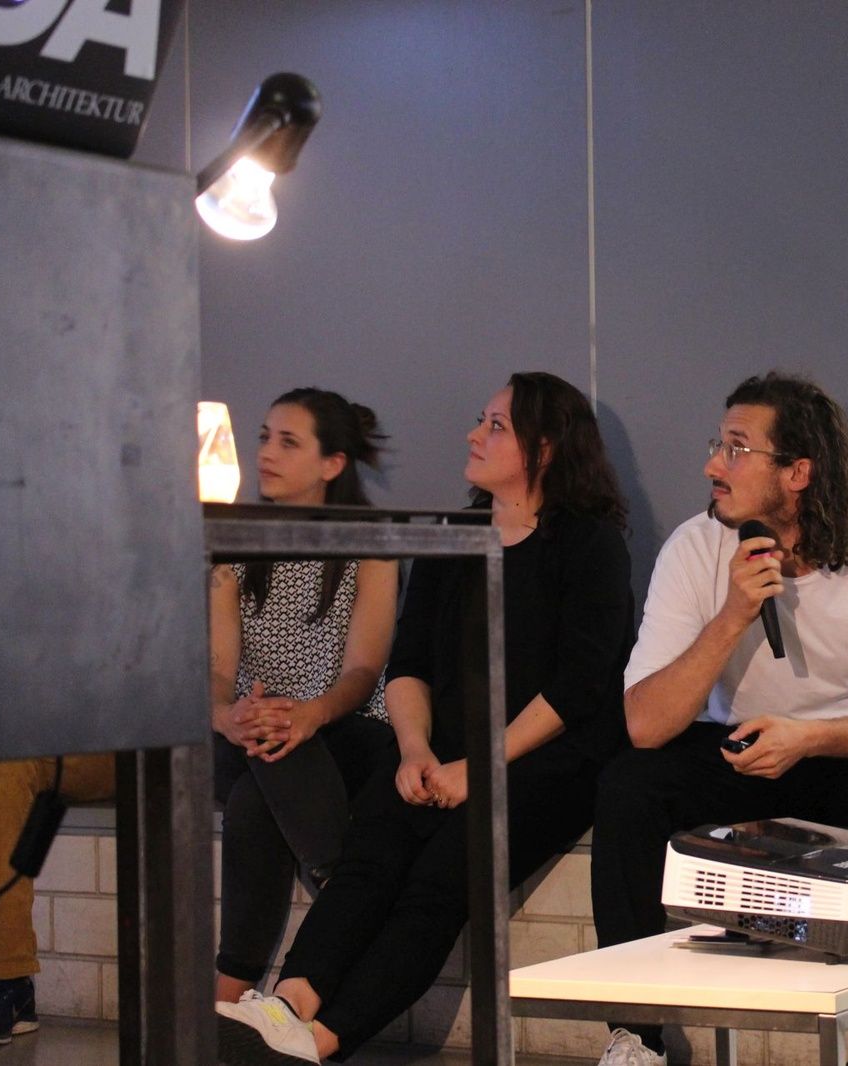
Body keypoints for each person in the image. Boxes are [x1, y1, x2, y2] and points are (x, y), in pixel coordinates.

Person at [216, 371, 634, 1065]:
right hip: (438, 750)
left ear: (545, 447)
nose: (473, 435)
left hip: (545, 760)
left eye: (495, 425)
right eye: (480, 420)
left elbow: (580, 687)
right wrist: (412, 749)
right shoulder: (456, 536)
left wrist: (480, 768)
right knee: (370, 854)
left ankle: (320, 1040)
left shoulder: (589, 544)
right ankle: (286, 1005)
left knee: (441, 879)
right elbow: (408, 664)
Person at [590, 371, 848, 1066]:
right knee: (630, 784)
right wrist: (732, 616)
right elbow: (645, 724)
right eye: (717, 445)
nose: (713, 466)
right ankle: (635, 1036)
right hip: (741, 751)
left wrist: (811, 738)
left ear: (798, 472)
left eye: (736, 449)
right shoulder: (695, 547)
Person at [210, 388, 400, 1006]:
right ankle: (344, 887)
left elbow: (365, 668)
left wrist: (309, 714)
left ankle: (227, 997)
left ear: (331, 463)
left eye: (288, 442)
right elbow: (217, 669)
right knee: (264, 756)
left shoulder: (370, 541)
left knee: (255, 797)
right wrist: (227, 716)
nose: (267, 453)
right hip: (248, 730)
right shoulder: (235, 539)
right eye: (264, 437)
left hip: (342, 727)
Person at [0, 756, 114, 1047]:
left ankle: (11, 983)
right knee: (2, 769)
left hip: (115, 749)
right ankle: (11, 983)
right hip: (29, 748)